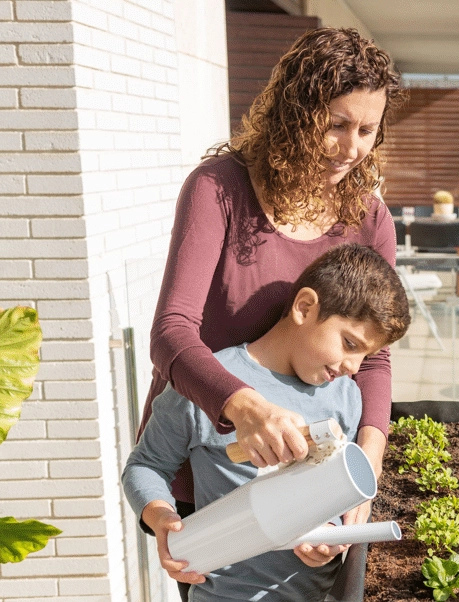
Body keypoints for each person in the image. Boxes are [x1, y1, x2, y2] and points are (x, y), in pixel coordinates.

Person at [141, 27, 404, 541]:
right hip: (209, 460)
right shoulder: (218, 188)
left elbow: (374, 359)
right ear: (296, 112)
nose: (351, 148)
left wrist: (367, 465)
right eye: (336, 124)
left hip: (310, 475)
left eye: (367, 130)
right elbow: (171, 333)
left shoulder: (369, 220)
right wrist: (245, 408)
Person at [125, 243, 412, 601]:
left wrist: (331, 536)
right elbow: (146, 465)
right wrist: (161, 519)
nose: (354, 367)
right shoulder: (208, 384)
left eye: (365, 355)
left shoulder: (346, 398)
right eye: (349, 343)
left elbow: (338, 496)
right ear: (304, 307)